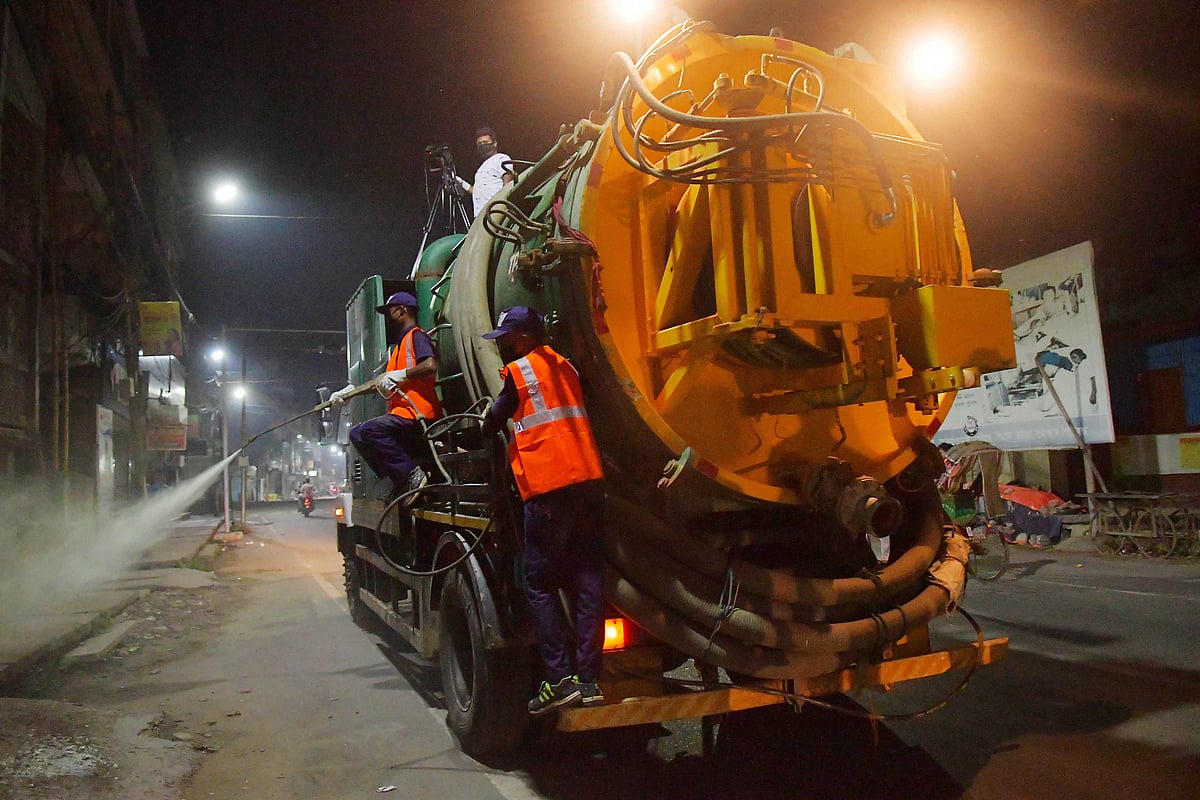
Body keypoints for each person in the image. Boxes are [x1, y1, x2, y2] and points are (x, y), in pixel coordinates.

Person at [480, 306, 607, 716]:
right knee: (588, 583)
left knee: (538, 584)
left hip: (550, 487)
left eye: (505, 338)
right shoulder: (566, 366)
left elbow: (493, 420)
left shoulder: (521, 372)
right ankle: (589, 682)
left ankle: (558, 679)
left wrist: (486, 418)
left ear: (524, 339)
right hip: (587, 481)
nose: (500, 345)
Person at [332, 291, 443, 504]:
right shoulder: (400, 347)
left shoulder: (416, 336)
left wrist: (402, 374)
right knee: (358, 434)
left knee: (370, 430)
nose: (387, 317)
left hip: (419, 413)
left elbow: (430, 365)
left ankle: (412, 475)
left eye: (389, 311)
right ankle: (402, 479)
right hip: (402, 414)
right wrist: (350, 393)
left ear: (402, 310)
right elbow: (381, 382)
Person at [456, 126, 514, 218]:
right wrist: (461, 182)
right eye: (479, 144)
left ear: (494, 143)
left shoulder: (501, 158)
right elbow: (477, 192)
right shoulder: (480, 169)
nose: (482, 145)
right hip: (480, 215)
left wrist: (503, 207)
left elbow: (508, 185)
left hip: (495, 211)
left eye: (485, 142)